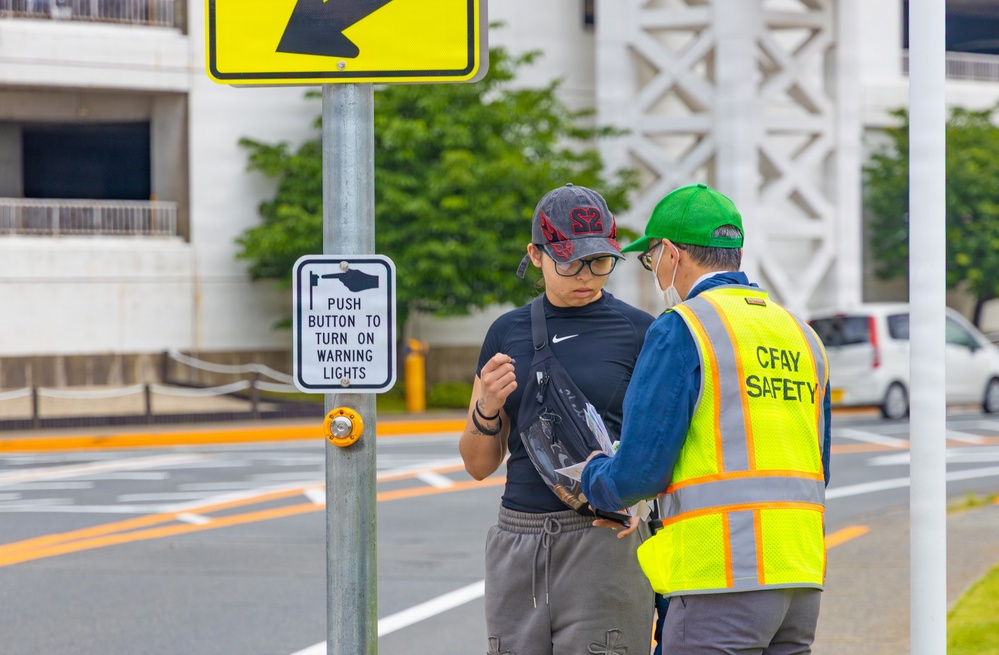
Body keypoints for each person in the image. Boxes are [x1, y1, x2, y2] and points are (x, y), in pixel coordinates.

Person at [581, 183, 832, 655]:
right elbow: (820, 466)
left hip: (719, 577)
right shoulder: (801, 333)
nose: (655, 271)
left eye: (651, 257)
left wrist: (595, 476)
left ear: (672, 253)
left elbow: (640, 470)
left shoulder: (684, 327)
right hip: (800, 574)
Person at [459, 183, 656, 655]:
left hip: (603, 539)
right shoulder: (506, 332)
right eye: (569, 261)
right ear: (536, 254)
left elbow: (665, 440)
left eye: (600, 261)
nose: (585, 275)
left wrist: (643, 501)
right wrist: (487, 406)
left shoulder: (641, 332)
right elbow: (477, 464)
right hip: (518, 540)